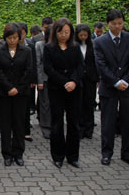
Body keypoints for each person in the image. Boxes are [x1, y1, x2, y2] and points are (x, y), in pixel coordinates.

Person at [94, 9, 129, 167]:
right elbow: (101, 65)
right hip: (109, 87)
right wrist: (115, 82)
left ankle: (127, 154)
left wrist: (126, 81)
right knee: (108, 122)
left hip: (127, 88)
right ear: (108, 24)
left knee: (128, 122)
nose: (117, 27)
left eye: (120, 23)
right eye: (114, 24)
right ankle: (106, 153)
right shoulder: (100, 42)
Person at [43, 18, 83, 169]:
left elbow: (80, 66)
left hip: (74, 89)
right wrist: (63, 82)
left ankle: (73, 156)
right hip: (56, 89)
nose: (63, 35)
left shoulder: (75, 46)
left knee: (73, 123)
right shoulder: (49, 48)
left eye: (67, 32)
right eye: (60, 32)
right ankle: (58, 156)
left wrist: (73, 81)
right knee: (57, 123)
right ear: (55, 32)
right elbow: (48, 68)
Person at [0, 23, 32, 166]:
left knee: (19, 123)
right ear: (5, 38)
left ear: (19, 37)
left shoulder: (26, 51)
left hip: (21, 94)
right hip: (3, 93)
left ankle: (18, 153)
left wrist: (18, 88)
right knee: (5, 124)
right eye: (10, 38)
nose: (12, 40)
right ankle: (7, 154)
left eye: (15, 37)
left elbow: (28, 71)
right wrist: (9, 87)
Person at [75, 24, 99, 139]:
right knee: (79, 104)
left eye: (85, 35)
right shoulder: (74, 45)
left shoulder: (93, 45)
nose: (83, 37)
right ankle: (80, 129)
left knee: (89, 103)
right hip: (78, 79)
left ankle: (89, 130)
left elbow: (97, 62)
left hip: (90, 78)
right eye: (81, 35)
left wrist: (97, 78)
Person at [35, 25, 52, 139]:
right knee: (45, 104)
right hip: (44, 79)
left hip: (57, 80)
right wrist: (39, 80)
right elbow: (38, 63)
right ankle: (46, 127)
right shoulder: (40, 45)